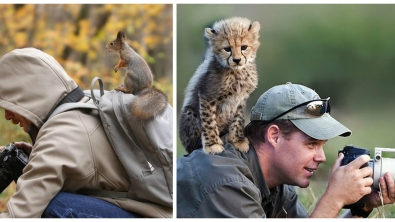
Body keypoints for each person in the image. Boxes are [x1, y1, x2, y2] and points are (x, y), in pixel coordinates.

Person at [177, 82, 395, 218]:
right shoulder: (225, 182)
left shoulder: (276, 185)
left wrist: (360, 207)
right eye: (311, 144)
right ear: (274, 136)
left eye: (322, 145)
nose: (320, 157)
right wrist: (333, 199)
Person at [0, 48, 171, 218]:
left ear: (28, 96)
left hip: (151, 216)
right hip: (160, 211)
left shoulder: (61, 136)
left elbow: (19, 216)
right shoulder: (87, 101)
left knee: (55, 206)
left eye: (10, 105)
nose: (7, 115)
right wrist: (35, 158)